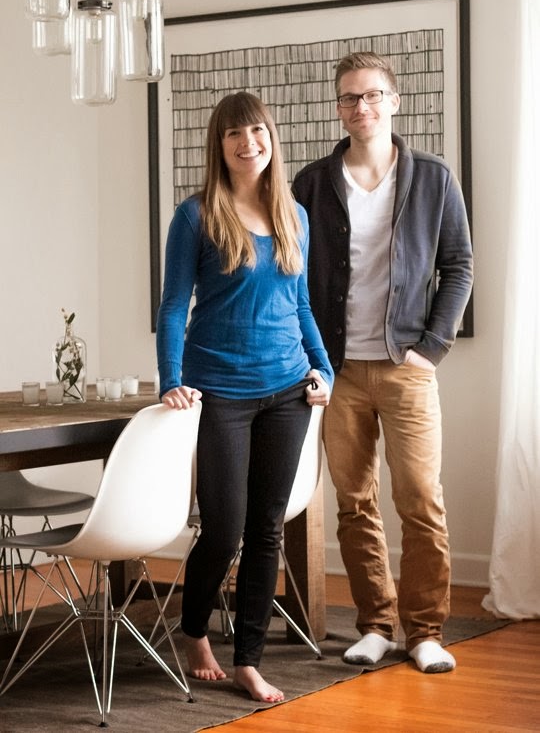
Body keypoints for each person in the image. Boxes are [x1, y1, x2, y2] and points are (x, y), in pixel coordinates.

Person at [293, 52, 473, 673]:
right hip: (337, 370)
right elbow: (291, 273)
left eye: (371, 95)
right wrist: (308, 356)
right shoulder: (312, 184)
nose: (360, 106)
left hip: (406, 367)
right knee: (354, 502)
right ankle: (375, 625)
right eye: (349, 97)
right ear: (338, 108)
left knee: (421, 500)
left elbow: (459, 266)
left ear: (394, 102)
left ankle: (425, 631)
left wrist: (432, 348)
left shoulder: (433, 178)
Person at [156, 91, 333, 703]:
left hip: (288, 390)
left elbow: (300, 304)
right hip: (219, 393)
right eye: (233, 133)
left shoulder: (294, 215)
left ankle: (248, 660)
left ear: (271, 138)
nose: (247, 142)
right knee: (224, 528)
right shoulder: (195, 216)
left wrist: (323, 369)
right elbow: (173, 307)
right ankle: (194, 630)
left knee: (266, 530)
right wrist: (170, 380)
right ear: (220, 144)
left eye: (256, 130)